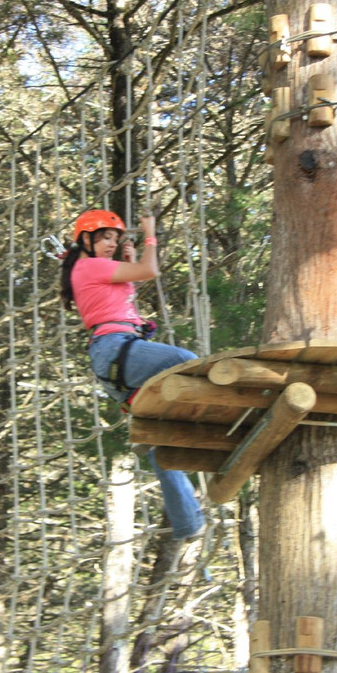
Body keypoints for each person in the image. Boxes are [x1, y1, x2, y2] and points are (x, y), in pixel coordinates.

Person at [60, 208, 206, 540]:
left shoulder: (92, 268)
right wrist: (150, 232)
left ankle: (188, 524)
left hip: (115, 356)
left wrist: (130, 255)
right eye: (104, 238)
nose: (111, 243)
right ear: (85, 240)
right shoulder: (87, 265)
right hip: (115, 348)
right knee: (188, 362)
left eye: (114, 238)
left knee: (161, 441)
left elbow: (126, 289)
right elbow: (149, 270)